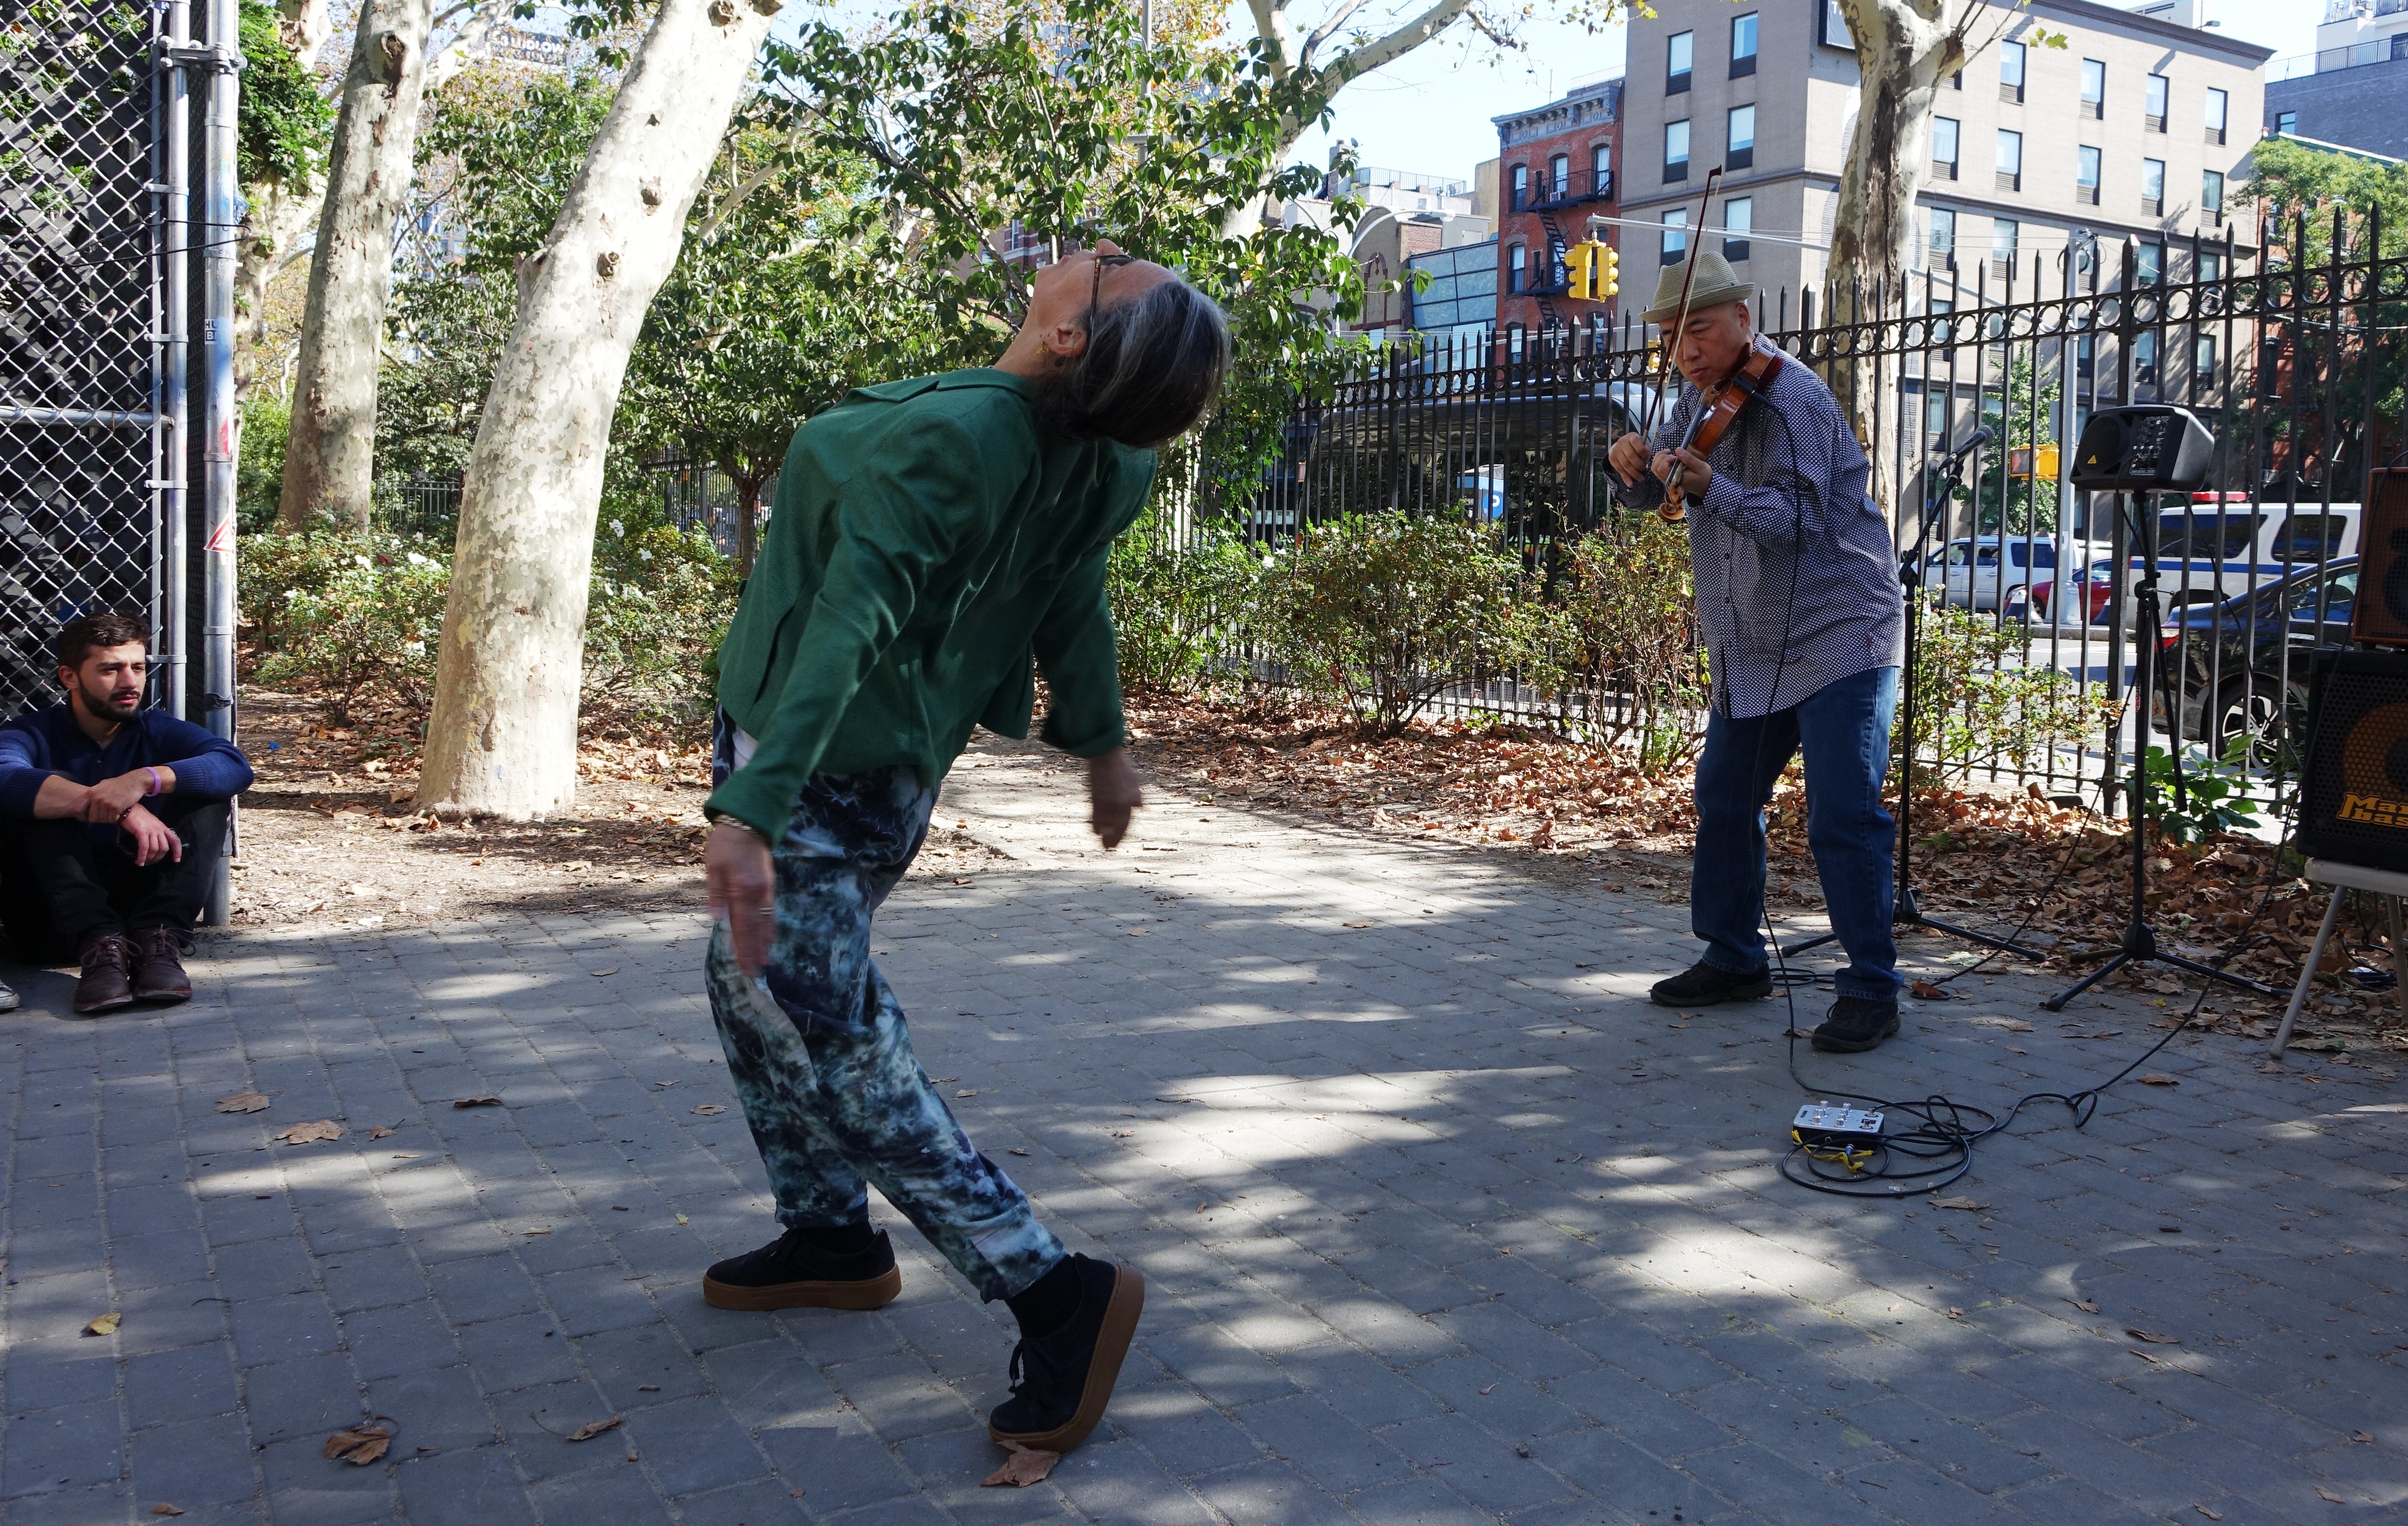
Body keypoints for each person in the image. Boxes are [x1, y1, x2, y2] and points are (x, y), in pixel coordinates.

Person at [698, 240, 1230, 1455]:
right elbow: (1069, 598)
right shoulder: (1102, 461)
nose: (1092, 250)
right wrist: (1101, 746)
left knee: (835, 1032)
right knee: (746, 983)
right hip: (884, 766)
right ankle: (829, 1234)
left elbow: (852, 617)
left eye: (1107, 266)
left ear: (1067, 337)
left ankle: (1051, 1288)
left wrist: (754, 807)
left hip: (818, 763)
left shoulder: (959, 436)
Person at [1607, 250, 1907, 1053]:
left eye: (1699, 330)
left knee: (1844, 814)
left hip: (1843, 633)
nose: (1687, 351)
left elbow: (1805, 522)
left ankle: (1873, 987)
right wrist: (1632, 465)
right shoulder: (1695, 401)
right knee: (1726, 796)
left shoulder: (1796, 400)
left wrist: (1713, 488)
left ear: (1743, 319)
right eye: (1673, 337)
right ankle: (1735, 957)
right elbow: (1661, 494)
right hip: (1756, 643)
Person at [0, 613, 254, 1015]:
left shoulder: (159, 730)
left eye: (138, 667)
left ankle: (160, 940)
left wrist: (146, 779)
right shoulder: (29, 733)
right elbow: (6, 776)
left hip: (141, 914)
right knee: (44, 792)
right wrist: (120, 809)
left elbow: (235, 766)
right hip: (52, 919)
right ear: (69, 677)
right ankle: (99, 947)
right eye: (110, 669)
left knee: (205, 792)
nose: (130, 682)